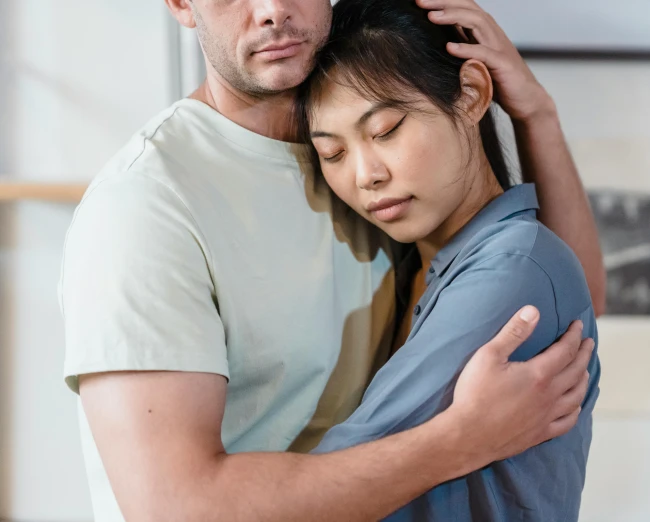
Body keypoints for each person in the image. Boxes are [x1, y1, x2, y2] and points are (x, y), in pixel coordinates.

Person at [59, 1, 604, 521]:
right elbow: (178, 511)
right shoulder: (146, 205)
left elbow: (561, 295)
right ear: (181, 3)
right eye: (335, 151)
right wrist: (459, 440)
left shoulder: (385, 186)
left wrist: (535, 113)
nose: (273, 8)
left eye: (384, 131)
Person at [296, 1, 600, 520]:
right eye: (333, 154)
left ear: (472, 94)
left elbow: (331, 486)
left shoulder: (511, 269)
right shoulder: (408, 263)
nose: (366, 174)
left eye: (386, 129)